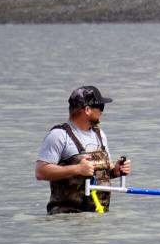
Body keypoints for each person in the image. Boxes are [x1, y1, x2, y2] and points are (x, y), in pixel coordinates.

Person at [35, 85, 132, 214]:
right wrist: (77, 169)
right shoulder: (59, 135)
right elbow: (40, 172)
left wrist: (115, 171)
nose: (102, 112)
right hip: (67, 220)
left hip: (98, 217)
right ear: (87, 110)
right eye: (101, 107)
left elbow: (98, 173)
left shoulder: (100, 135)